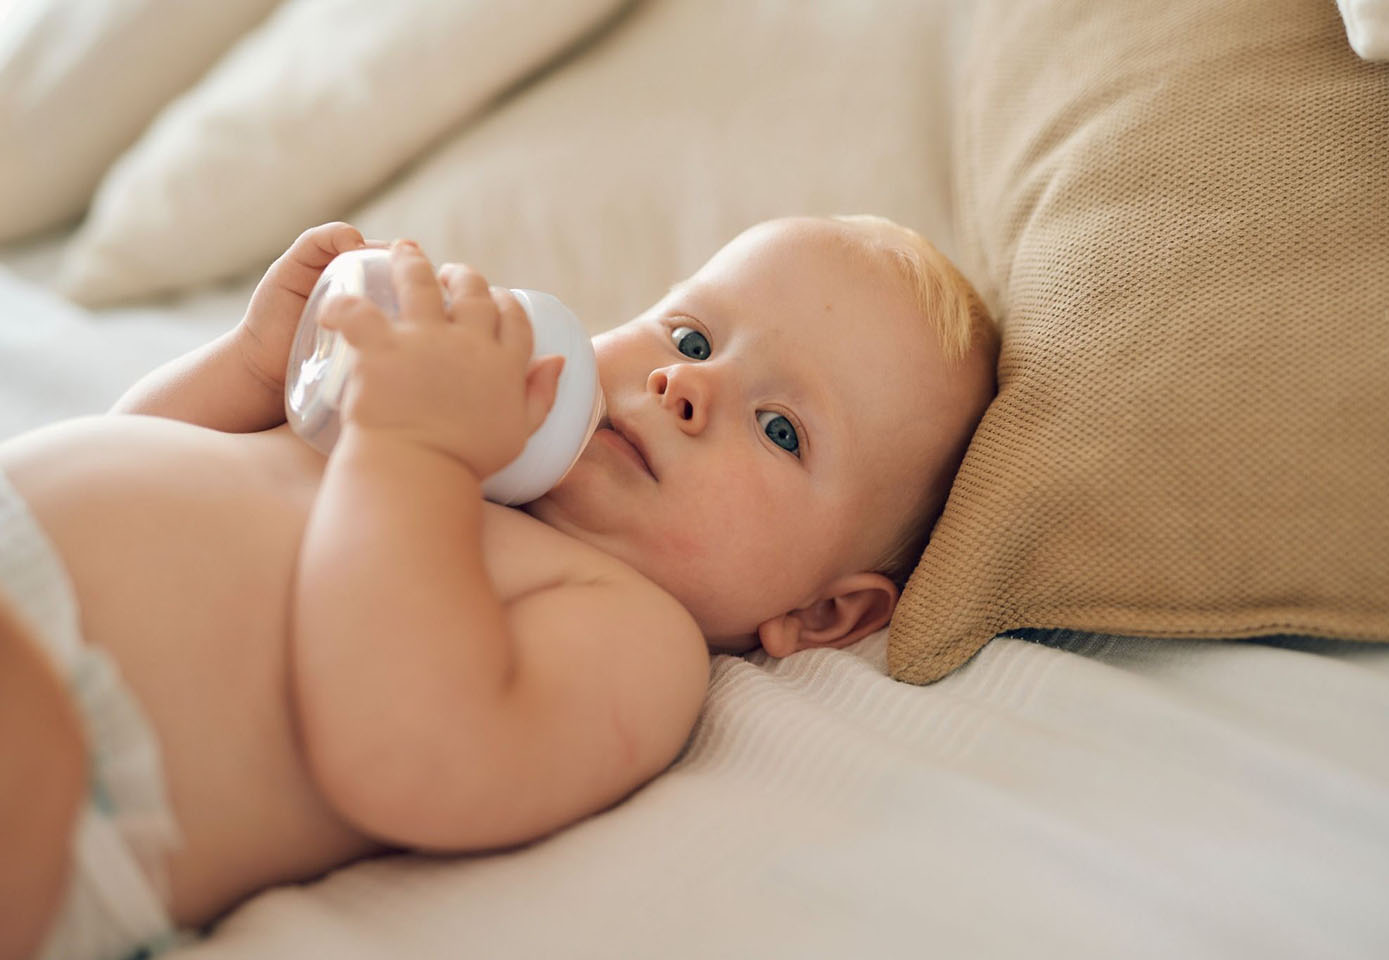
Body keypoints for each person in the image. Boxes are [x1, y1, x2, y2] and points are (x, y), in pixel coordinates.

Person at [0, 214, 997, 960]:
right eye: (691, 338)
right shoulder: (449, 443)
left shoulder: (632, 635)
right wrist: (256, 369)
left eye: (782, 430)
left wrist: (411, 445)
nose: (685, 387)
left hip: (59, 754)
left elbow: (407, 749)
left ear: (824, 614)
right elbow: (149, 449)